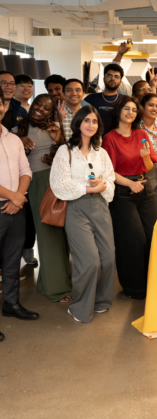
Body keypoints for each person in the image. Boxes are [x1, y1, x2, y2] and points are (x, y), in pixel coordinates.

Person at [49, 106, 116, 323]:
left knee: (107, 258)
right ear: (78, 123)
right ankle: (78, 307)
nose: (90, 125)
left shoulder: (101, 152)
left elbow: (110, 178)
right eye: (86, 120)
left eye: (94, 121)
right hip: (76, 208)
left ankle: (100, 301)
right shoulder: (65, 151)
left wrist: (102, 184)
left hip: (100, 206)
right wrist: (88, 188)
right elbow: (60, 183)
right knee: (89, 262)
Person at [13, 94, 72, 303]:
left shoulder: (54, 128)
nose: (40, 108)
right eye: (38, 103)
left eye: (46, 107)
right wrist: (19, 141)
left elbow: (69, 154)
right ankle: (57, 289)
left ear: (51, 113)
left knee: (61, 233)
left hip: (59, 182)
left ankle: (49, 284)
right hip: (37, 183)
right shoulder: (15, 132)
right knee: (48, 234)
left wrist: (61, 139)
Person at [102, 96, 157, 300]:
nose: (130, 112)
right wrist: (129, 183)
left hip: (145, 188)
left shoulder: (141, 133)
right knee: (134, 241)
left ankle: (152, 282)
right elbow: (109, 172)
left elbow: (150, 165)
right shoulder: (109, 138)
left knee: (151, 237)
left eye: (134, 109)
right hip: (123, 191)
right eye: (126, 108)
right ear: (118, 111)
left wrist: (145, 159)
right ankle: (134, 288)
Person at [0, 87, 39, 340]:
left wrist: (19, 196)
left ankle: (11, 304)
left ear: (4, 107)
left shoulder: (12, 139)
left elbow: (26, 170)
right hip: (6, 203)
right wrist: (12, 195)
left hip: (16, 208)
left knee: (13, 261)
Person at [83, 63, 126, 135]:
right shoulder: (90, 99)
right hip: (94, 141)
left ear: (120, 81)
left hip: (118, 142)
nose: (112, 78)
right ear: (104, 78)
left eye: (116, 76)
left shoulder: (125, 100)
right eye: (109, 75)